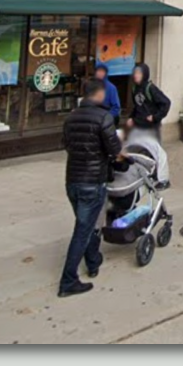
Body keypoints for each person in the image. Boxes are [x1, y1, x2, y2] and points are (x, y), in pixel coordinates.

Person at [58, 79, 124, 298]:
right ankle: (68, 279)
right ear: (98, 95)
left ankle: (93, 260)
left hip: (72, 180)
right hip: (93, 180)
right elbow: (114, 149)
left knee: (88, 224)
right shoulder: (103, 117)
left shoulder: (70, 117)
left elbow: (66, 144)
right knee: (84, 231)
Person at [124, 62, 172, 186]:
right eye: (135, 73)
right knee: (142, 150)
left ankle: (162, 178)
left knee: (156, 152)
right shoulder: (134, 88)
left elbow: (166, 103)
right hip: (139, 124)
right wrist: (131, 118)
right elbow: (137, 106)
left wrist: (155, 117)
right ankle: (146, 174)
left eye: (139, 73)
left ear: (144, 74)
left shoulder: (150, 88)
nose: (136, 76)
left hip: (151, 127)